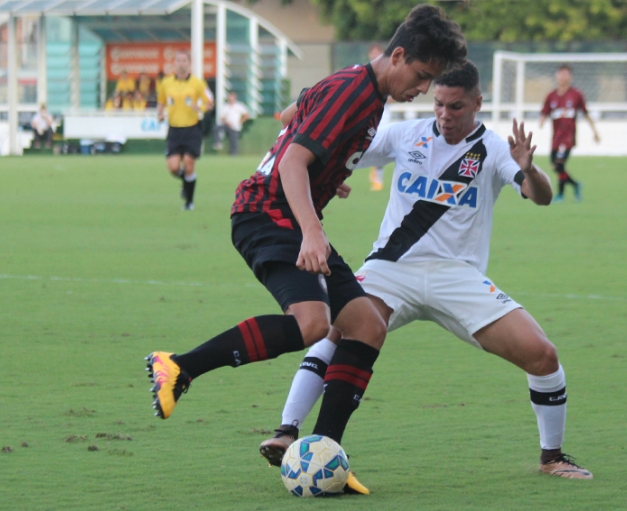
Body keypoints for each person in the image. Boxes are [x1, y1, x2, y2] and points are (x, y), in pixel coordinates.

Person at [145, 3, 467, 493]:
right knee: (313, 323)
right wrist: (313, 227)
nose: (422, 89)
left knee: (367, 326)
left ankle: (324, 454)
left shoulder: (360, 86)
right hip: (268, 214)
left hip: (289, 214)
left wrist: (329, 172)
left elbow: (291, 114)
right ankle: (179, 367)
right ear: (399, 56)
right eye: (422, 76)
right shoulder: (354, 92)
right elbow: (293, 162)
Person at [258, 62, 593, 491]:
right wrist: (331, 174)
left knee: (543, 355)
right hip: (390, 268)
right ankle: (287, 431)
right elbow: (333, 148)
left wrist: (528, 168)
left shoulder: (492, 148)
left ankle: (552, 457)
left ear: (477, 103)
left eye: (456, 107)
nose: (444, 115)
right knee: (335, 331)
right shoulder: (406, 134)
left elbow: (539, 196)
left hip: (458, 276)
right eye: (438, 104)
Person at [157, 50, 212, 211]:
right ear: (174, 63)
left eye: (184, 60)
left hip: (192, 129)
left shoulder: (198, 83)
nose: (181, 63)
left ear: (189, 63)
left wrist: (200, 107)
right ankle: (186, 182)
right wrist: (160, 114)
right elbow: (161, 101)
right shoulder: (166, 83)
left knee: (188, 163)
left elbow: (210, 102)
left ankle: (189, 202)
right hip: (174, 129)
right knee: (173, 167)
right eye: (178, 60)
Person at [538, 64, 599, 202]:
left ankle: (560, 194)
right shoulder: (551, 96)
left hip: (568, 138)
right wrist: (541, 120)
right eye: (560, 74)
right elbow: (545, 111)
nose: (562, 77)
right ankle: (576, 185)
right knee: (555, 165)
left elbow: (586, 113)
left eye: (565, 74)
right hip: (556, 138)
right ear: (556, 76)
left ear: (570, 77)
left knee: (559, 164)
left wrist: (595, 132)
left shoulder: (576, 95)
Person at [367, 43, 390, 191]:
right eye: (373, 53)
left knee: (382, 142)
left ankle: (377, 177)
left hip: (384, 113)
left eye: (377, 52)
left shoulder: (388, 72)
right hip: (369, 112)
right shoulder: (365, 72)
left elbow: (393, 95)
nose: (375, 55)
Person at [212, 91, 250, 156]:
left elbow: (246, 114)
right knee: (216, 127)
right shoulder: (226, 107)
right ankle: (218, 142)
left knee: (233, 142)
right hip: (227, 125)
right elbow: (222, 117)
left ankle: (233, 154)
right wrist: (227, 122)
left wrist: (240, 121)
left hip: (236, 127)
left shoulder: (239, 106)